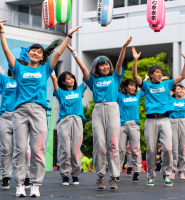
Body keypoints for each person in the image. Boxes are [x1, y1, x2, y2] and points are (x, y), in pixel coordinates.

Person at [0, 18, 81, 197]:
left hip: (38, 111)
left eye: (39, 51)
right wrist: (1, 31)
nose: (35, 53)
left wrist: (68, 36)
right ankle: (20, 183)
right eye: (33, 51)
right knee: (20, 149)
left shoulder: (44, 70)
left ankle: (35, 184)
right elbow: (6, 50)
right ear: (28, 54)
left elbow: (58, 53)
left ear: (42, 56)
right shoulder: (19, 69)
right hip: (19, 112)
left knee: (38, 150)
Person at [67, 37, 132, 190]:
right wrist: (75, 53)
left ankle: (114, 177)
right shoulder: (93, 80)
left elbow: (119, 64)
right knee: (99, 144)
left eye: (106, 64)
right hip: (98, 110)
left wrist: (123, 48)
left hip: (112, 108)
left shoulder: (115, 77)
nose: (105, 67)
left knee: (113, 144)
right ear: (97, 67)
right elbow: (83, 69)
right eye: (101, 65)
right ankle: (100, 176)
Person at [132, 47, 185, 187]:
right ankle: (150, 176)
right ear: (151, 75)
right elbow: (135, 76)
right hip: (151, 121)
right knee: (151, 150)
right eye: (157, 72)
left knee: (168, 149)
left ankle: (167, 174)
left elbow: (182, 76)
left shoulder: (167, 83)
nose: (160, 74)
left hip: (165, 120)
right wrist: (135, 60)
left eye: (161, 72)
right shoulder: (146, 85)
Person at [51, 70, 87, 186]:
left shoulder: (79, 90)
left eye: (72, 78)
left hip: (77, 120)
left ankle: (76, 174)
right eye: (68, 78)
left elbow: (87, 77)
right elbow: (53, 79)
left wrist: (76, 56)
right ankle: (65, 175)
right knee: (65, 149)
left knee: (75, 150)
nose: (71, 80)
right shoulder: (60, 92)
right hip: (64, 121)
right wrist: (51, 69)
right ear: (63, 81)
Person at [117, 78, 144, 183]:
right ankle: (116, 173)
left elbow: (146, 88)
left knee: (135, 149)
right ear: (125, 87)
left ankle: (136, 172)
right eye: (131, 85)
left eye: (134, 86)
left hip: (134, 125)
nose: (133, 87)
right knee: (120, 150)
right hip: (121, 125)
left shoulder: (138, 95)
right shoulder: (119, 96)